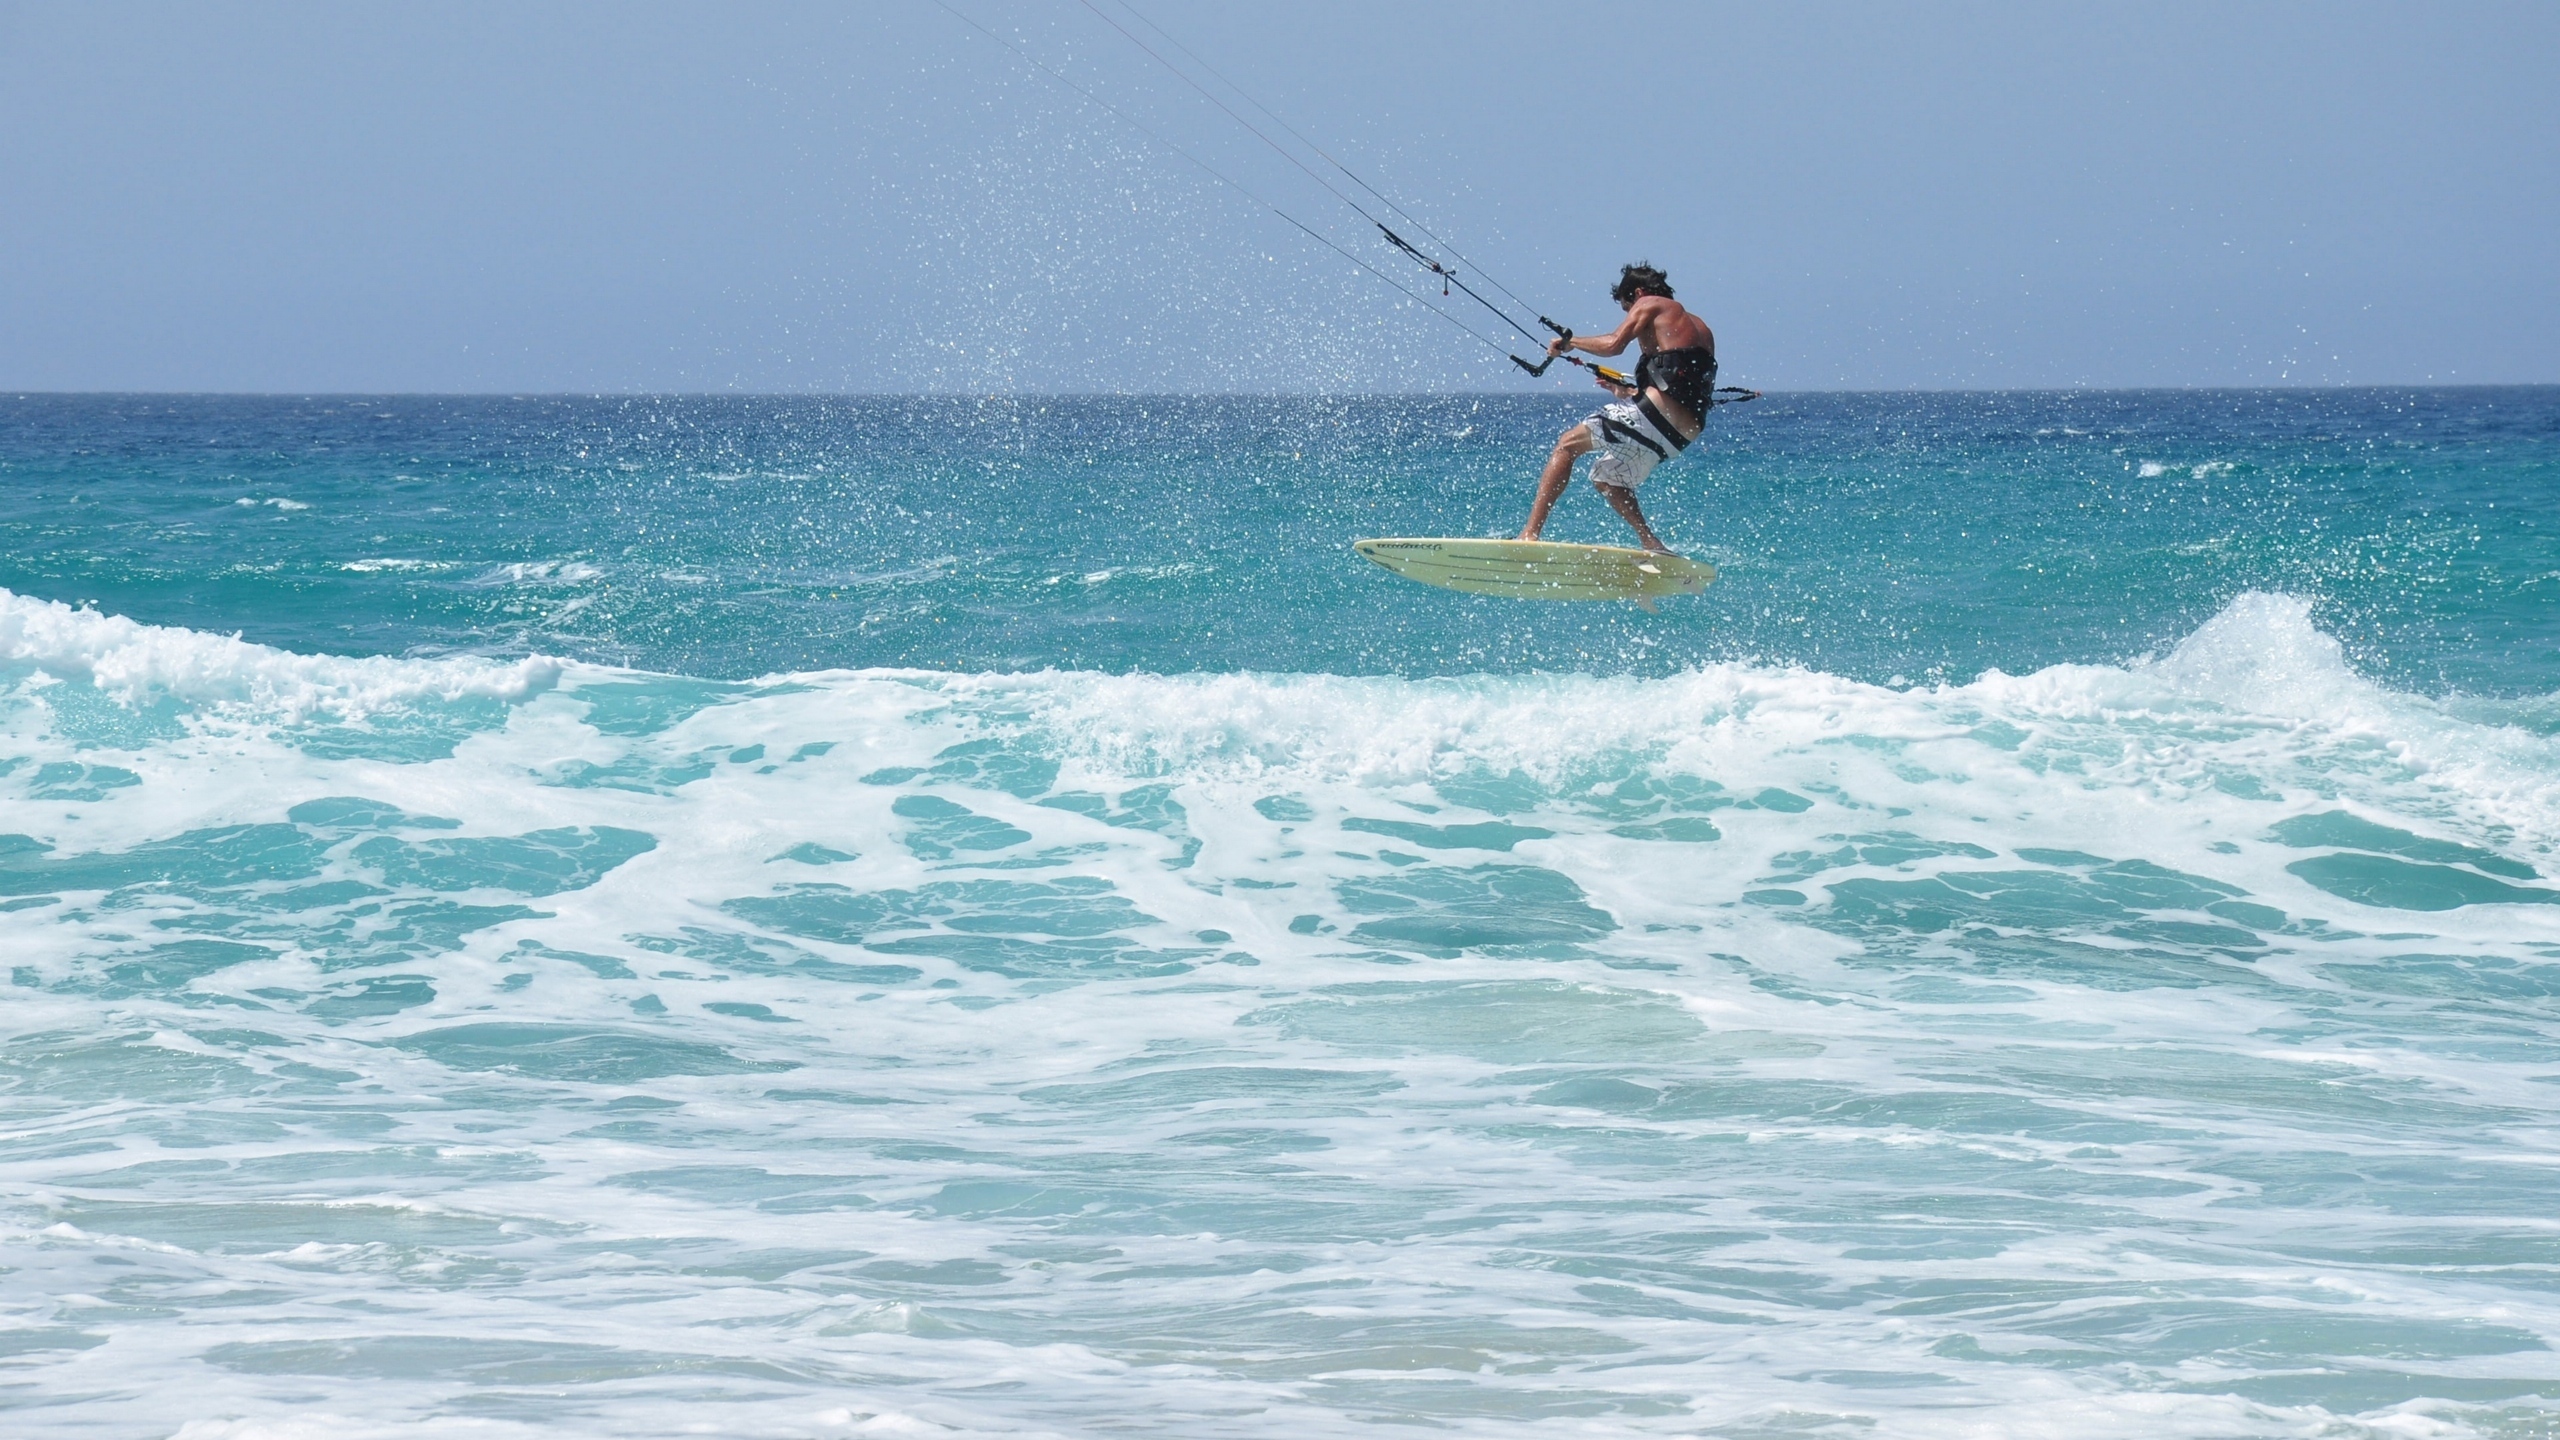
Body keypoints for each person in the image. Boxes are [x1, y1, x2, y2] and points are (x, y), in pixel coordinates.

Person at [1516, 262, 1717, 554]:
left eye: (1626, 307)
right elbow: (1679, 383)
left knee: (1566, 445)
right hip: (1683, 435)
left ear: (1636, 293)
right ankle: (1652, 544)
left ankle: (1529, 535)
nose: (1630, 314)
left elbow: (1613, 345)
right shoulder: (1700, 326)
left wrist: (1571, 344)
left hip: (1654, 417)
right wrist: (1627, 392)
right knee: (1608, 477)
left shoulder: (1650, 303)